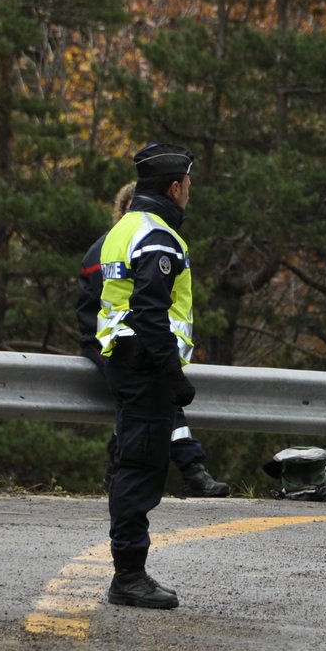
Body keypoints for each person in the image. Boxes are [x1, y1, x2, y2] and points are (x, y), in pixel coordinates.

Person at [94, 143, 202, 609]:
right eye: (189, 185)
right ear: (175, 187)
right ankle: (129, 577)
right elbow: (151, 313)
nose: (190, 192)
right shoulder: (158, 236)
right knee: (140, 466)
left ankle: (130, 572)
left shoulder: (124, 229)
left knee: (132, 461)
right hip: (145, 366)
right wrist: (173, 375)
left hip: (126, 361)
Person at [77, 181, 229, 498]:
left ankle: (123, 475)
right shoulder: (109, 248)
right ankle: (192, 469)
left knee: (143, 405)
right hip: (112, 342)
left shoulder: (152, 243)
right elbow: (102, 308)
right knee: (154, 396)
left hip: (140, 339)